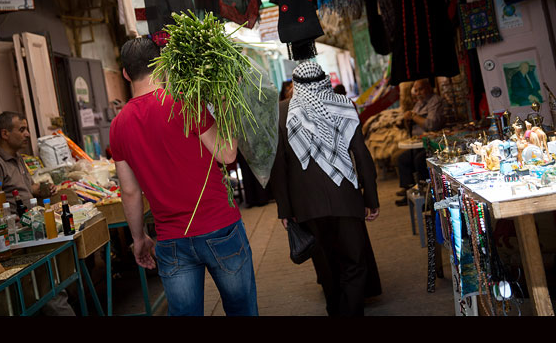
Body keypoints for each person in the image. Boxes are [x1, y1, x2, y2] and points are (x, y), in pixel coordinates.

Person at [109, 37, 258, 316]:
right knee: (242, 311)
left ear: (126, 73)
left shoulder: (118, 126)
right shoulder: (184, 103)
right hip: (220, 228)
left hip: (171, 240)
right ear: (162, 64)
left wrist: (139, 238)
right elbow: (227, 155)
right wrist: (227, 103)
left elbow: (129, 192)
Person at [269, 61, 380, 316]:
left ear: (295, 85)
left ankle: (336, 311)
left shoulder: (281, 112)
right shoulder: (344, 105)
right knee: (354, 264)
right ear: (325, 81)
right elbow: (361, 155)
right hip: (346, 199)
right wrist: (370, 198)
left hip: (306, 206)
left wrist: (285, 210)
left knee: (326, 268)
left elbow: (279, 166)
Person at [0, 111, 74, 316]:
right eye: (21, 129)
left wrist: (45, 188)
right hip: (14, 238)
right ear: (4, 133)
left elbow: (29, 188)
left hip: (33, 230)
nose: (27, 134)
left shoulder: (17, 158)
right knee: (49, 288)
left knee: (55, 281)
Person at [395, 78, 445, 206]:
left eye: (420, 89)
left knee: (419, 160)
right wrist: (407, 120)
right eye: (415, 90)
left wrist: (413, 116)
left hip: (432, 144)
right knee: (402, 159)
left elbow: (431, 125)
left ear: (428, 88)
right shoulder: (418, 104)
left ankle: (427, 196)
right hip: (418, 143)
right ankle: (410, 192)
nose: (417, 93)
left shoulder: (435, 101)